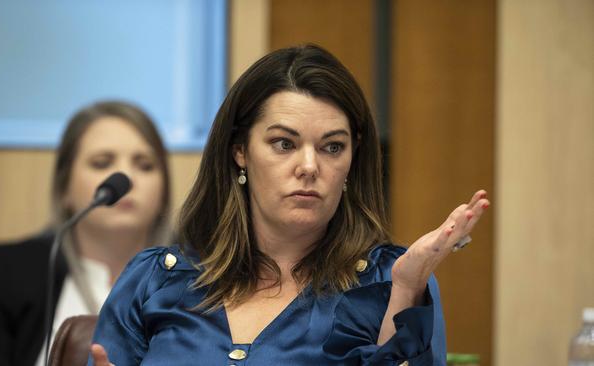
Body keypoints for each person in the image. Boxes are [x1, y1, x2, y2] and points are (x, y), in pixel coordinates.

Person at [89, 45, 490, 366]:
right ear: (240, 151)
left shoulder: (391, 282)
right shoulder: (154, 280)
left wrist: (404, 291)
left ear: (353, 159)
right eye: (285, 143)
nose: (310, 167)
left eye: (333, 147)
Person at [0, 101, 172, 366]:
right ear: (64, 187)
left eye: (145, 165)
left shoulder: (202, 277)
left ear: (164, 189)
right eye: (102, 162)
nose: (127, 177)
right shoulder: (6, 272)